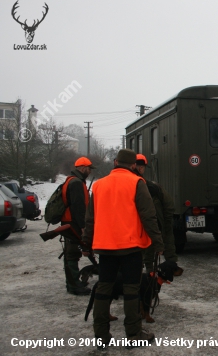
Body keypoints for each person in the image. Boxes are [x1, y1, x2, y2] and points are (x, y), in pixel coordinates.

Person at [82, 149, 164, 348]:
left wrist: (86, 242)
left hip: (105, 246)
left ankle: (101, 335)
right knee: (131, 290)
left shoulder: (99, 185)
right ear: (133, 165)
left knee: (104, 288)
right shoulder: (137, 183)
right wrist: (158, 241)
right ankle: (134, 334)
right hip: (130, 246)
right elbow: (148, 215)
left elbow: (90, 218)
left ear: (115, 162)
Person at [135, 154, 183, 276]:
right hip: (153, 220)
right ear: (141, 168)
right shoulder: (151, 186)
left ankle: (147, 268)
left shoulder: (136, 184)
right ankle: (156, 267)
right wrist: (166, 221)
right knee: (158, 238)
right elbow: (169, 204)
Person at [61, 157, 95, 296]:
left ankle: (73, 282)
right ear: (82, 168)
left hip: (69, 223)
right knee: (72, 254)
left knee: (71, 253)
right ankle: (74, 285)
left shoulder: (72, 180)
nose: (89, 171)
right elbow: (78, 207)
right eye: (88, 168)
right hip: (73, 224)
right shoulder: (76, 183)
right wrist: (82, 226)